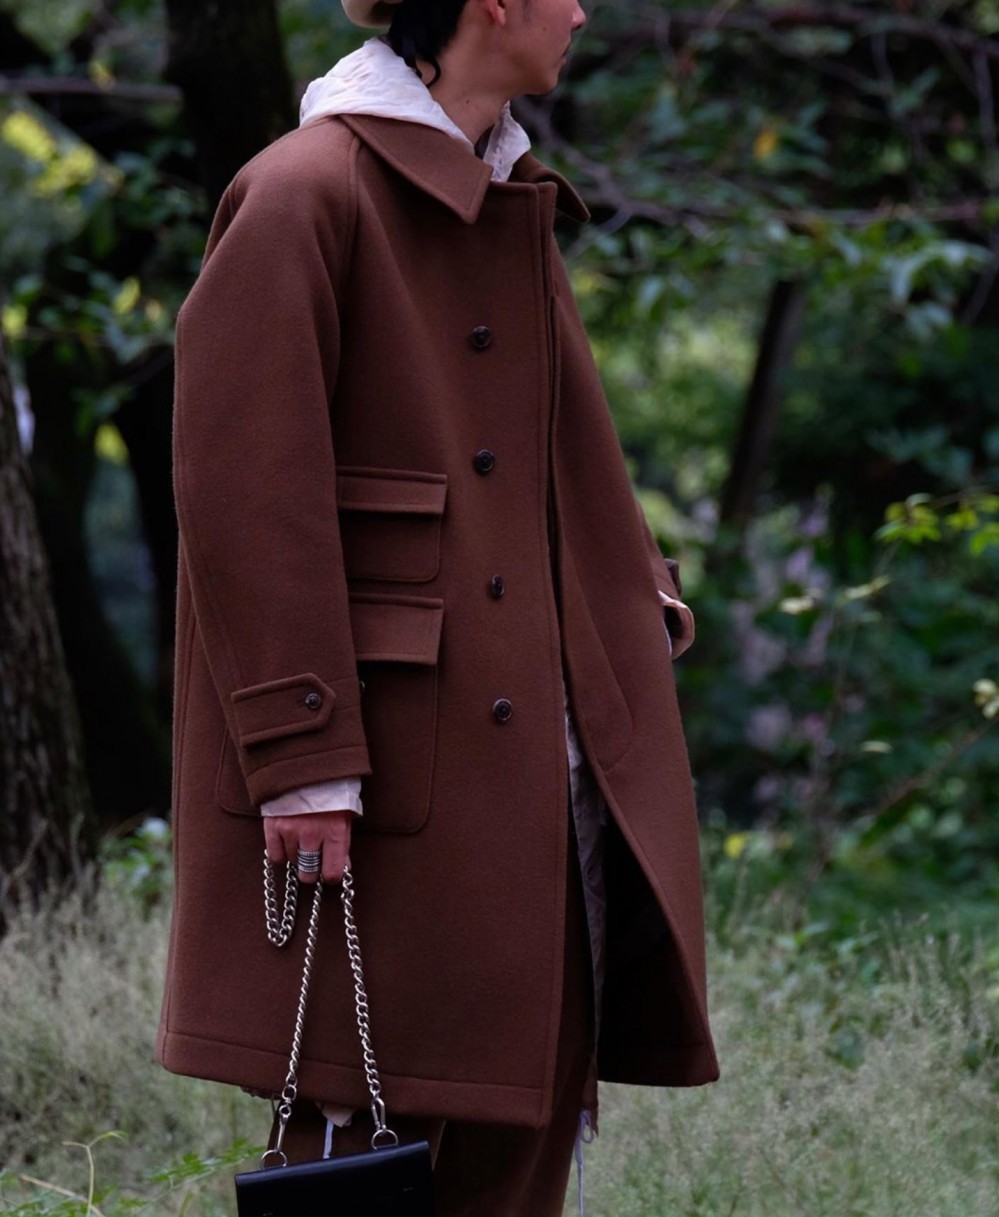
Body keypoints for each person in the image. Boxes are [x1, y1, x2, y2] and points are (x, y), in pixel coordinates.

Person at [157, 0, 719, 1212]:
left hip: (544, 769)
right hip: (388, 776)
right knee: (365, 1137)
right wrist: (302, 758)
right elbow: (243, 494)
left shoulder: (505, 191)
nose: (582, 10)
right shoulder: (303, 192)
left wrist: (640, 603)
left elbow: (553, 461)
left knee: (525, 1124)